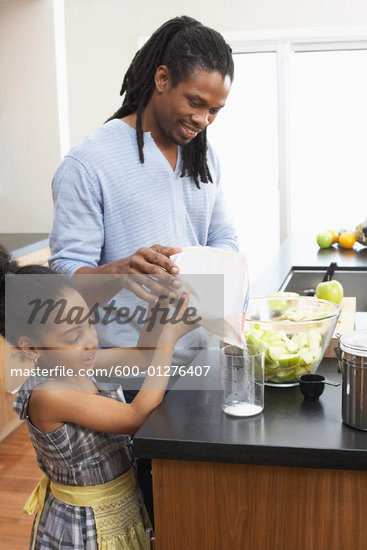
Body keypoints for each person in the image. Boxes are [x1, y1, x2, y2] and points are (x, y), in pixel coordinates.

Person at [48, 14, 238, 523]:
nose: (202, 120)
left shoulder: (204, 156)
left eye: (215, 110)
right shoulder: (88, 164)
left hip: (200, 361)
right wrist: (121, 269)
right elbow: (63, 277)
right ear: (160, 80)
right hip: (130, 373)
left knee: (204, 509)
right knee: (154, 513)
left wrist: (225, 293)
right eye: (195, 102)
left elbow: (223, 238)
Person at [1, 244, 195, 549]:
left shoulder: (78, 363)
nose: (91, 341)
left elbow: (143, 357)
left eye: (89, 323)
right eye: (73, 336)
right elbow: (136, 417)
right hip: (85, 530)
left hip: (124, 509)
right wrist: (170, 337)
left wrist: (159, 306)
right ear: (31, 348)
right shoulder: (49, 393)